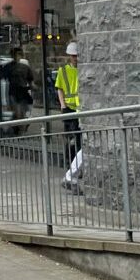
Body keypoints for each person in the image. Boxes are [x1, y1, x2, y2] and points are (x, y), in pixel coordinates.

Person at [55, 42, 83, 193]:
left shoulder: (82, 69)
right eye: (73, 56)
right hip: (70, 109)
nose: (75, 58)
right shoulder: (63, 71)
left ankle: (73, 171)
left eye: (76, 55)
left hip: (79, 108)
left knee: (80, 141)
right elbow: (60, 88)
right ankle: (70, 166)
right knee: (71, 140)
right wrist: (63, 106)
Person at [3, 47, 35, 136]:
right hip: (14, 92)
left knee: (22, 112)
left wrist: (33, 88)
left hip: (23, 91)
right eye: (16, 54)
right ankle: (18, 130)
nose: (17, 56)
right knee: (18, 112)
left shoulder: (25, 67)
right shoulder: (8, 67)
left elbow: (30, 80)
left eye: (19, 54)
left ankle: (14, 129)